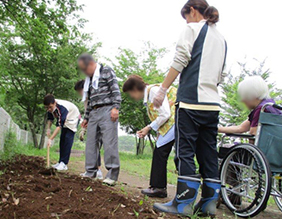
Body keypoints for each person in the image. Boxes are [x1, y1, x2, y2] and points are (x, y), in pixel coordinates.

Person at [152, 0, 227, 217]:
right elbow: (221, 75)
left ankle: (183, 203)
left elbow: (181, 59)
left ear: (192, 11)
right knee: (208, 153)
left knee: (185, 151)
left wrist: (163, 89)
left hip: (191, 102)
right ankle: (208, 204)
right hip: (212, 105)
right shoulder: (221, 39)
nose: (186, 20)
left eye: (186, 16)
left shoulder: (191, 28)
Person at [122, 75, 176, 198]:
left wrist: (148, 127)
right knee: (163, 152)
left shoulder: (153, 91)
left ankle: (159, 188)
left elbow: (165, 114)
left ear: (135, 89)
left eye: (130, 93)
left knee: (160, 152)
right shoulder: (151, 92)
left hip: (175, 122)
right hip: (173, 123)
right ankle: (157, 187)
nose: (132, 97)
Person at [77, 53, 121, 186]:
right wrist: (86, 117)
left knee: (109, 142)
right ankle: (90, 172)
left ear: (91, 64)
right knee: (91, 143)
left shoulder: (106, 71)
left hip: (107, 110)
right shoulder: (89, 80)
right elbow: (90, 100)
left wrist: (115, 107)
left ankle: (112, 175)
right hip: (93, 113)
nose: (84, 72)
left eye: (85, 69)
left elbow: (115, 90)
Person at [74, 80, 103, 180]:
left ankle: (97, 170)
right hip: (92, 123)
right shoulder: (86, 99)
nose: (79, 94)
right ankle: (93, 170)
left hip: (99, 122)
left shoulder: (92, 96)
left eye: (79, 91)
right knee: (93, 146)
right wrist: (84, 128)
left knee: (95, 145)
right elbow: (87, 113)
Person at [44, 94, 80, 171]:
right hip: (65, 119)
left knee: (67, 139)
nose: (49, 109)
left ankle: (64, 164)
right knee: (62, 139)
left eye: (50, 107)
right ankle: (60, 161)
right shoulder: (50, 108)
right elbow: (50, 119)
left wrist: (51, 139)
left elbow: (59, 125)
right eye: (47, 107)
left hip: (72, 117)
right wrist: (48, 129)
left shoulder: (62, 108)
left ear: (54, 103)